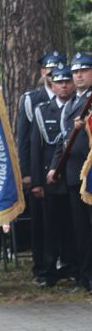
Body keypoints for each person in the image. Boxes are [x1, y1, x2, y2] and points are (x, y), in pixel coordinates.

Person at [15, 51, 64, 282]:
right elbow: (24, 139)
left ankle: (66, 264)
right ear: (42, 72)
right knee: (41, 224)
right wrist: (28, 174)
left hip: (64, 172)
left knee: (65, 222)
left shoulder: (71, 98)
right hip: (40, 171)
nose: (53, 74)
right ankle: (43, 268)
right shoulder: (31, 99)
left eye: (58, 69)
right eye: (49, 70)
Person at [49, 52, 92, 291]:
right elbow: (62, 141)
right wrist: (55, 167)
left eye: (84, 71)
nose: (79, 76)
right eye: (75, 72)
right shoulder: (70, 106)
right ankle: (85, 277)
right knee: (81, 231)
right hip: (76, 175)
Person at [30, 66, 75, 287]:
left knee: (74, 226)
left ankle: (73, 267)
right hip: (51, 180)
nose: (63, 86)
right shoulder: (42, 110)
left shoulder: (80, 108)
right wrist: (36, 181)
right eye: (59, 82)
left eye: (67, 82)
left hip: (75, 177)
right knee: (50, 228)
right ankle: (48, 271)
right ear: (52, 85)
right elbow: (35, 147)